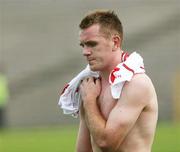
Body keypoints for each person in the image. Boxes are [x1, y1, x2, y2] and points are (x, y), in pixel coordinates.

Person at [75, 10, 158, 152]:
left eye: (92, 44)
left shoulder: (137, 84)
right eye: (83, 45)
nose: (85, 52)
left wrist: (89, 101)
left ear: (115, 42)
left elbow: (106, 143)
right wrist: (89, 99)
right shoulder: (91, 85)